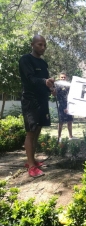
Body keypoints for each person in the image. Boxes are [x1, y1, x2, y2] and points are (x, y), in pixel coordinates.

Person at [19, 35, 55, 178]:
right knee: (31, 132)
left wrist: (51, 89)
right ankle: (31, 167)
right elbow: (30, 79)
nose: (43, 47)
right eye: (40, 44)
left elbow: (45, 83)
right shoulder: (25, 60)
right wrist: (45, 81)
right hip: (30, 101)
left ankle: (32, 160)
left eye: (44, 45)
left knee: (38, 130)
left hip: (42, 101)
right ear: (32, 44)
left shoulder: (43, 63)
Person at [56, 72, 75, 142]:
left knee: (69, 122)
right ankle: (59, 137)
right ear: (59, 78)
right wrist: (64, 107)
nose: (63, 78)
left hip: (69, 106)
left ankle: (70, 137)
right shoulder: (57, 86)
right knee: (60, 122)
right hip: (62, 107)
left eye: (64, 77)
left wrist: (69, 107)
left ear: (66, 78)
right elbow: (59, 97)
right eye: (62, 77)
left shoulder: (68, 86)